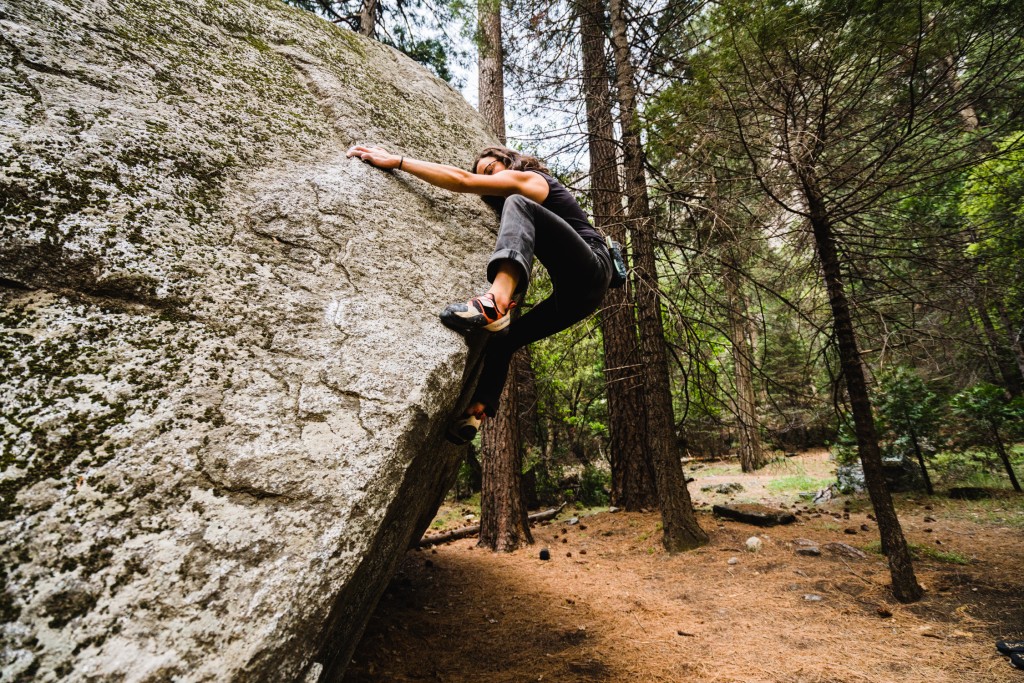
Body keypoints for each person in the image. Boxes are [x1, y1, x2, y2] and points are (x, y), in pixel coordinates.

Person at [346, 144, 612, 443]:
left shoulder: (534, 181)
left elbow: (463, 181)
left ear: (508, 161)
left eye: (490, 170)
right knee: (504, 340)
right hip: (579, 297)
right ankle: (479, 409)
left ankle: (495, 301)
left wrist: (398, 161)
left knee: (517, 203)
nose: (489, 179)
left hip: (594, 265)